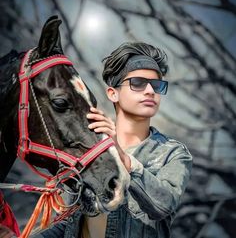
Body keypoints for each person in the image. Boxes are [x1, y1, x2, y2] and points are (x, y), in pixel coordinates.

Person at [37, 42, 192, 238]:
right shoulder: (88, 153)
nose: (150, 91)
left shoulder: (172, 153)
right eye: (138, 83)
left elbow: (163, 205)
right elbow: (69, 225)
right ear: (113, 93)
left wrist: (124, 160)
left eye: (157, 85)